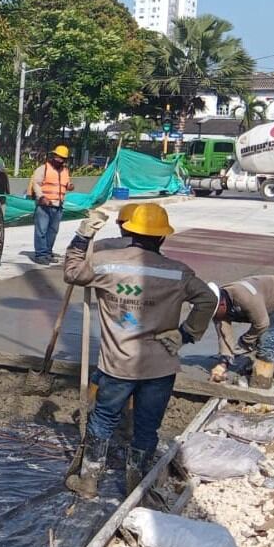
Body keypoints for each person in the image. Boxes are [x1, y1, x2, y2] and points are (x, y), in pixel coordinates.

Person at [63, 203, 217, 497]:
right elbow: (208, 299)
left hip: (119, 363)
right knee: (147, 427)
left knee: (104, 419)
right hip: (160, 367)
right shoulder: (178, 272)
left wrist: (82, 237)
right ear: (162, 238)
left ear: (127, 231)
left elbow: (72, 272)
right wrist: (186, 333)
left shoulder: (105, 264)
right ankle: (137, 484)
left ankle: (88, 481)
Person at [210, 276, 274, 388]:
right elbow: (224, 336)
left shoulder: (244, 297)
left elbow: (262, 323)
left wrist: (245, 341)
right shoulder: (219, 307)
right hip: (270, 303)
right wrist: (223, 364)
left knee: (267, 342)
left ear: (222, 305)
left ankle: (260, 389)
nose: (215, 317)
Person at [28, 145, 75, 264]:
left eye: (62, 158)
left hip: (58, 206)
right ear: (54, 156)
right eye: (58, 157)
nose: (59, 160)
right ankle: (40, 255)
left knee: (52, 231)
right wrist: (41, 197)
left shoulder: (65, 171)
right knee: (41, 231)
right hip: (44, 205)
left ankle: (48, 253)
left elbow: (66, 184)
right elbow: (36, 184)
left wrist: (70, 186)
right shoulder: (43, 168)